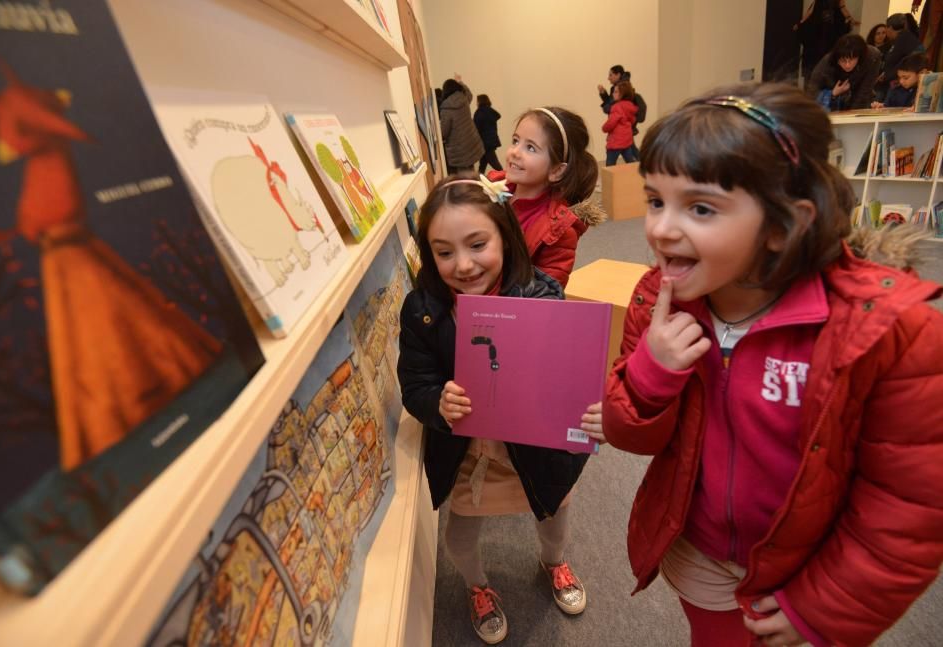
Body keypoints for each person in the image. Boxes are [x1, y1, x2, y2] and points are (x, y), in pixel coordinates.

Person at [593, 82, 943, 647]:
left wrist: (824, 605)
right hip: (702, 550)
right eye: (656, 200)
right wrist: (651, 371)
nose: (659, 228)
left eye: (700, 207)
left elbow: (907, 510)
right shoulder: (656, 300)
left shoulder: (892, 334)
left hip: (808, 565)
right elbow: (629, 433)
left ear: (783, 225)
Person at [397, 174, 602, 644]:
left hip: (537, 452)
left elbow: (568, 373)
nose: (464, 265)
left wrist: (592, 409)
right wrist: (437, 402)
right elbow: (415, 384)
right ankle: (478, 586)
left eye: (477, 244)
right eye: (444, 252)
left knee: (555, 519)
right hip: (471, 456)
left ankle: (553, 564)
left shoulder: (542, 293)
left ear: (505, 237)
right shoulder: (422, 310)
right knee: (459, 538)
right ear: (428, 253)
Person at [485, 107, 602, 288]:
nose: (515, 152)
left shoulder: (558, 232)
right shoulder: (487, 189)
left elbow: (544, 296)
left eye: (530, 147)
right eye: (515, 141)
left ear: (556, 171)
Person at [807, 33, 881, 111]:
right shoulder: (827, 63)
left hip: (859, 100)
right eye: (843, 60)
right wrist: (832, 94)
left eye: (852, 60)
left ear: (859, 56)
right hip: (830, 104)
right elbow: (811, 93)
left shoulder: (872, 56)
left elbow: (864, 91)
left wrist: (853, 116)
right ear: (837, 58)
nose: (847, 65)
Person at [439, 75, 485, 176]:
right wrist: (460, 82)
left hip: (459, 149)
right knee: (471, 171)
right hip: (470, 143)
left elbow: (443, 132)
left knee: (464, 177)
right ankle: (476, 188)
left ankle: (472, 190)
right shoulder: (464, 99)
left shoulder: (446, 108)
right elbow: (470, 94)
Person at [598, 64, 647, 156]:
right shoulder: (621, 87)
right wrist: (603, 94)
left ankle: (644, 165)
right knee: (630, 150)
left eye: (611, 75)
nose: (608, 78)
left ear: (618, 75)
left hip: (621, 126)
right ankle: (643, 165)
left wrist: (606, 127)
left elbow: (611, 107)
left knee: (618, 154)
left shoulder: (621, 88)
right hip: (624, 126)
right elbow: (611, 104)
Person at [602, 80, 639, 166]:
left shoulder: (616, 107)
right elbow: (633, 120)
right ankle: (635, 176)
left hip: (615, 142)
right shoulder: (630, 106)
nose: (613, 94)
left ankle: (609, 179)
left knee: (610, 166)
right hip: (627, 140)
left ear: (622, 94)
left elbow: (611, 122)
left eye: (616, 92)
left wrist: (604, 128)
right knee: (630, 162)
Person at [473, 94, 503, 174]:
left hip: (484, 142)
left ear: (480, 101)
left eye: (477, 101)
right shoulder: (491, 111)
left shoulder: (479, 113)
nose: (476, 103)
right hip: (491, 140)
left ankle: (506, 177)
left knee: (495, 164)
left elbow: (476, 128)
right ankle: (478, 179)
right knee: (483, 164)